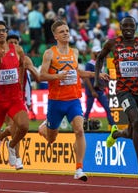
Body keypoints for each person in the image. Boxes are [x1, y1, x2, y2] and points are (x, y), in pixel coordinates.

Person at [94, 16, 138, 185]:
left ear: (135, 27)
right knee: (137, 123)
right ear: (120, 27)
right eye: (125, 26)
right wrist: (97, 78)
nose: (128, 29)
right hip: (124, 91)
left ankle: (116, 134)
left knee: (133, 132)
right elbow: (99, 58)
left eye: (131, 26)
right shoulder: (112, 43)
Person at [38, 20, 109, 182]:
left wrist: (96, 75)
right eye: (62, 31)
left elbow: (77, 72)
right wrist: (57, 76)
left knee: (79, 130)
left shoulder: (74, 52)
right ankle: (44, 127)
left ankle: (79, 168)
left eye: (67, 30)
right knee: (51, 138)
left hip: (73, 100)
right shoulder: (49, 53)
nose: (66, 33)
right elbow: (41, 76)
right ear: (55, 35)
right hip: (56, 101)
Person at [0, 20, 29, 190]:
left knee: (24, 126)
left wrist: (21, 88)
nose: (2, 33)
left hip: (15, 98)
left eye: (4, 30)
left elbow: (22, 66)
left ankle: (11, 145)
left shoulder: (17, 49)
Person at [0, 34, 40, 170]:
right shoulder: (1, 58)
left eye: (16, 42)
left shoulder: (24, 58)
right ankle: (18, 157)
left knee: (18, 128)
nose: (14, 45)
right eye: (11, 42)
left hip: (19, 96)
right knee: (14, 127)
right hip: (5, 97)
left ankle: (1, 137)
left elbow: (35, 75)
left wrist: (32, 70)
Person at [83, 46, 115, 128]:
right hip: (91, 91)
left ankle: (114, 126)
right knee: (88, 111)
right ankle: (82, 127)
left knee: (107, 109)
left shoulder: (101, 62)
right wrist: (92, 91)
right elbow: (86, 78)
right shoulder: (89, 64)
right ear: (93, 53)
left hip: (100, 90)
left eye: (100, 52)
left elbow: (110, 59)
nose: (99, 53)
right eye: (97, 52)